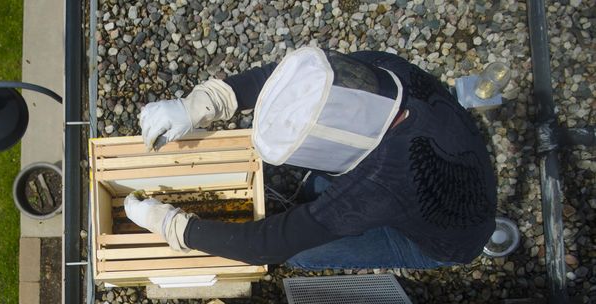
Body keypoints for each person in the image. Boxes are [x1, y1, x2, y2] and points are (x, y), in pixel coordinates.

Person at [124, 47, 497, 270]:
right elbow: (292, 79)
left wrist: (175, 227)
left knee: (301, 255)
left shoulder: (381, 184)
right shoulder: (387, 71)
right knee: (318, 195)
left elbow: (266, 246)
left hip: (439, 243)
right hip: (456, 166)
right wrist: (205, 102)